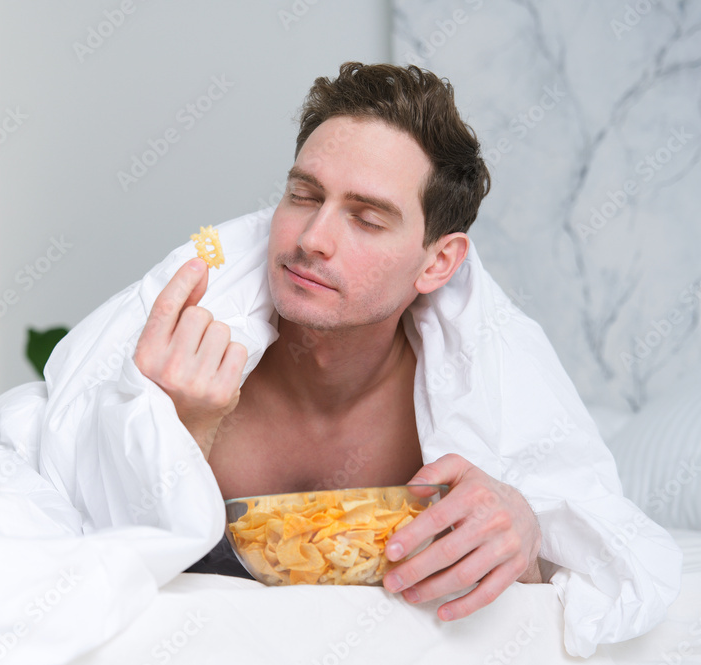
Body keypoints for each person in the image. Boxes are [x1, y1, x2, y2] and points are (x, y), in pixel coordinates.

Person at [136, 62, 540, 621]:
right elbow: (92, 548)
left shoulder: (470, 394)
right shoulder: (185, 357)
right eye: (304, 195)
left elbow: (560, 596)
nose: (312, 238)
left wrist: (526, 531)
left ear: (438, 262)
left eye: (367, 219)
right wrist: (176, 427)